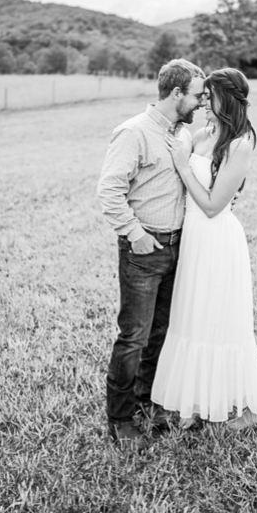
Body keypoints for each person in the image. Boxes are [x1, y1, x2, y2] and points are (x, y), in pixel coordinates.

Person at [151, 68, 257, 430]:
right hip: (193, 240)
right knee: (191, 316)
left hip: (218, 239)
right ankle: (194, 402)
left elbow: (214, 205)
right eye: (201, 95)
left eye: (209, 95)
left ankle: (251, 408)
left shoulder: (240, 143)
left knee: (222, 322)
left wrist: (183, 166)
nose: (203, 100)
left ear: (225, 99)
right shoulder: (202, 132)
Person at [97, 59, 206, 444]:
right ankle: (120, 419)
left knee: (162, 333)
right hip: (144, 250)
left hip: (179, 248)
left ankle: (148, 401)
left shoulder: (181, 135)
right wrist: (134, 233)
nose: (200, 103)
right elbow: (108, 191)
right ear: (176, 94)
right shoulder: (134, 133)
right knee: (134, 337)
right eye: (196, 96)